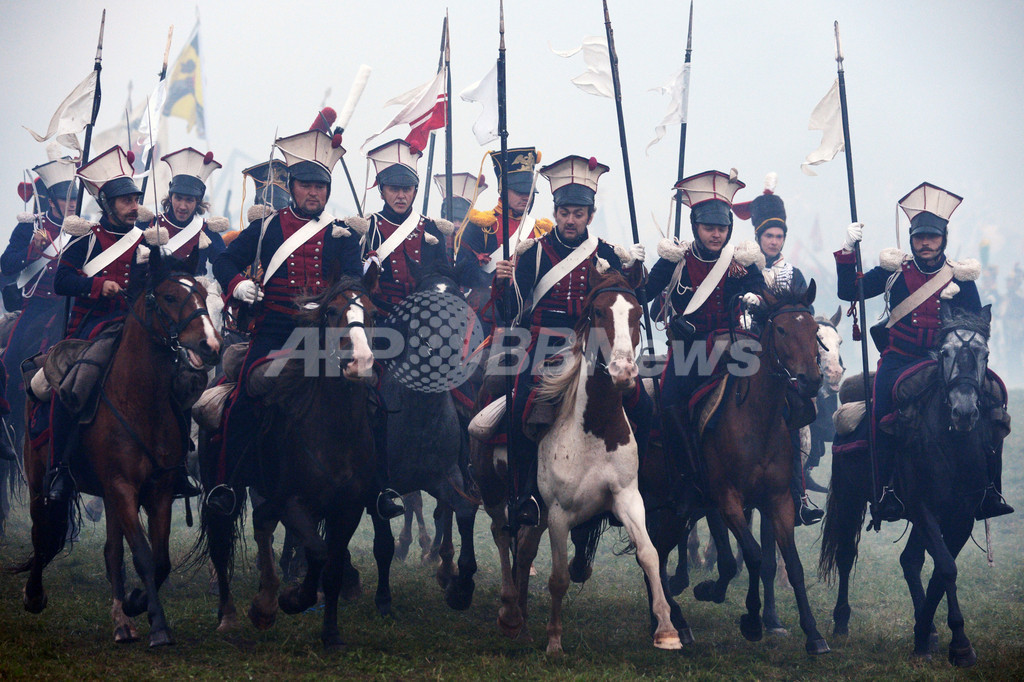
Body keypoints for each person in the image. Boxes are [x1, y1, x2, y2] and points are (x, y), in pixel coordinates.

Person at [208, 125, 378, 515]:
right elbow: (224, 261)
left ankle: (378, 486)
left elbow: (352, 281)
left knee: (372, 398)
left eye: (320, 187)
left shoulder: (341, 235)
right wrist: (237, 285)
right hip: (274, 331)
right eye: (305, 185)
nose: (313, 193)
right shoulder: (266, 228)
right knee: (242, 400)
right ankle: (229, 483)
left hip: (325, 336)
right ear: (291, 187)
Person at [837, 182, 1012, 523]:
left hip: (947, 362)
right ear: (912, 240)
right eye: (919, 238)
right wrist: (847, 250)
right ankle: (885, 490)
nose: (926, 243)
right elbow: (849, 291)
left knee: (995, 401)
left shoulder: (961, 279)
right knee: (880, 414)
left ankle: (991, 490)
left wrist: (953, 314)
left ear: (943, 239)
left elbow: (975, 327)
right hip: (899, 358)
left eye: (932, 237)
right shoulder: (893, 273)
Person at [493, 154, 647, 527]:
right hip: (544, 343)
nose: (571, 220)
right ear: (556, 213)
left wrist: (636, 271)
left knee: (642, 404)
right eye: (565, 213)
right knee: (519, 406)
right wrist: (503, 283)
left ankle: (631, 484)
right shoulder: (533, 253)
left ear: (590, 216)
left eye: (578, 213)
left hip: (593, 346)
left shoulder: (607, 253)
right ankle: (525, 493)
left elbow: (627, 299)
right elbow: (511, 311)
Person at [645, 170, 764, 503]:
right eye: (709, 227)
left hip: (731, 349)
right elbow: (645, 293)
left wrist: (755, 297)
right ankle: (685, 477)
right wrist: (642, 266)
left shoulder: (740, 261)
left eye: (722, 228)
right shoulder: (677, 261)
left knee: (776, 398)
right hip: (688, 352)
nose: (716, 234)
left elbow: (762, 293)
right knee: (669, 403)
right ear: (695, 227)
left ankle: (788, 484)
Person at [44, 146, 150, 502]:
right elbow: (61, 281)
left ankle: (175, 466)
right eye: (126, 201)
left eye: (135, 199)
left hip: (135, 326)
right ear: (108, 204)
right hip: (91, 326)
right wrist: (96, 286)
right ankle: (60, 467)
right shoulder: (86, 239)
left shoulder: (145, 241)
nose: (134, 206)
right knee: (71, 387)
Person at [734, 173, 821, 525]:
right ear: (758, 237)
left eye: (779, 236)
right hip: (743, 351)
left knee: (799, 419)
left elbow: (803, 318)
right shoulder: (739, 266)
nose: (774, 241)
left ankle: (798, 494)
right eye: (768, 236)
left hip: (783, 361)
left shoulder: (793, 273)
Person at [1, 156, 78, 449]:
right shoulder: (29, 227)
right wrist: (32, 251)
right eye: (65, 198)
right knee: (9, 362)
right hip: (36, 307)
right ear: (51, 200)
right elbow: (8, 264)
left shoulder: (83, 229)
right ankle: (5, 428)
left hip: (70, 307)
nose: (71, 204)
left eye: (74, 198)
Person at [343, 139, 452, 318]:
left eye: (407, 189)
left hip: (423, 317)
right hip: (379, 316)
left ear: (415, 191)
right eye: (394, 189)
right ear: (382, 192)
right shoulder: (368, 227)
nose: (401, 196)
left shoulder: (432, 229)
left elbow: (443, 277)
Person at [454, 147, 552, 315]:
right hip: (486, 308)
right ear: (503, 190)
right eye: (519, 192)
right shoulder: (482, 225)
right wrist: (493, 279)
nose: (525, 197)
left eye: (528, 192)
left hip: (526, 310)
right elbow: (463, 272)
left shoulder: (540, 230)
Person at [138, 147, 229, 274]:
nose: (182, 206)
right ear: (170, 197)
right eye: (178, 198)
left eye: (189, 200)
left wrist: (240, 282)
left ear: (198, 201)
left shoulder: (207, 230)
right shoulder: (149, 224)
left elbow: (225, 266)